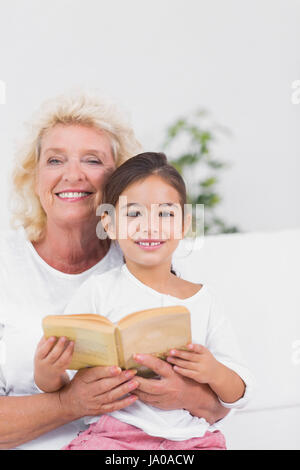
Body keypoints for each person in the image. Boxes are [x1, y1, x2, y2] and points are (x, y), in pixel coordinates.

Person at [0, 95, 230, 450]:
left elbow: (215, 408)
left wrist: (184, 394)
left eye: (92, 160)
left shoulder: (147, 259)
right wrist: (67, 404)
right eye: (55, 160)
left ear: (119, 183)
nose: (72, 174)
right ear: (34, 178)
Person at [34, 152, 253, 451]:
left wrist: (213, 371)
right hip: (113, 437)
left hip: (191, 439)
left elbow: (239, 393)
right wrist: (47, 373)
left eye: (165, 214)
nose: (150, 227)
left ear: (184, 224)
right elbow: (66, 383)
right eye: (134, 214)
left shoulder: (204, 300)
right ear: (109, 225)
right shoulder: (98, 291)